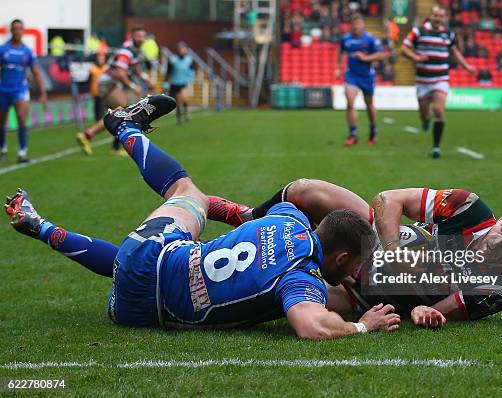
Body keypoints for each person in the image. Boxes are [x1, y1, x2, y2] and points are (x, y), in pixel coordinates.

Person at [5, 95, 403, 339]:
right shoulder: (300, 281)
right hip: (135, 313)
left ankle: (125, 134)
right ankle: (121, 130)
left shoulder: (289, 218)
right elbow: (310, 324)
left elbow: (210, 204)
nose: (357, 271)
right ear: (338, 258)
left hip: (148, 263)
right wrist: (362, 325)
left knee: (185, 194)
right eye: (357, 264)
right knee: (172, 218)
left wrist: (230, 214)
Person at [205, 178, 502, 327]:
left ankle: (205, 268)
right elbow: (389, 199)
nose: (498, 241)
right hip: (371, 236)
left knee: (278, 288)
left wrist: (422, 313)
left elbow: (431, 310)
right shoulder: (468, 207)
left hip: (366, 295)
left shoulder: (501, 286)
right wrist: (390, 251)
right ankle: (245, 217)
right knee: (304, 190)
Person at [401, 5, 475, 158]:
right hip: (423, 80)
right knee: (424, 113)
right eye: (435, 15)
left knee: (439, 111)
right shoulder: (418, 31)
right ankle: (425, 120)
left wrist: (466, 66)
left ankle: (436, 147)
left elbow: (454, 51)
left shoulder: (448, 34)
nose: (437, 18)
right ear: (430, 15)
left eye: (440, 16)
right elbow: (404, 48)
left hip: (440, 78)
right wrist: (416, 57)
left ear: (444, 17)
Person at [76, 26, 150, 157]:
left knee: (119, 115)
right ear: (132, 36)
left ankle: (105, 143)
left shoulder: (136, 51)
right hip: (108, 82)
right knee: (122, 113)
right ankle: (89, 135)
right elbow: (121, 73)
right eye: (138, 35)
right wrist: (133, 85)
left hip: (113, 83)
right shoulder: (126, 51)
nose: (141, 38)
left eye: (143, 36)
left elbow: (135, 68)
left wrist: (144, 77)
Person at [336, 14, 389, 146]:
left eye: (358, 24)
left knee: (369, 104)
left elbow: (381, 54)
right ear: (351, 26)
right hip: (351, 75)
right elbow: (340, 52)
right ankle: (353, 134)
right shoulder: (346, 39)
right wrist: (337, 68)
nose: (356, 27)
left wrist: (365, 58)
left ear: (363, 25)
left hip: (366, 76)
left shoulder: (370, 39)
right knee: (349, 102)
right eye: (354, 24)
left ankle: (373, 129)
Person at [0, 19, 47, 163]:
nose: (18, 31)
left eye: (20, 28)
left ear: (23, 31)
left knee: (21, 117)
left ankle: (22, 152)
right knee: (1, 122)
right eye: (15, 29)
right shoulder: (3, 49)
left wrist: (43, 94)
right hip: (3, 89)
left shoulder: (27, 52)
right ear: (12, 31)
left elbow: (36, 73)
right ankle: (2, 149)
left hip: (20, 89)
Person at [165, 42, 195, 124]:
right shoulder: (172, 59)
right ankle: (179, 117)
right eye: (181, 49)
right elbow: (168, 72)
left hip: (183, 83)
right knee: (177, 101)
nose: (182, 50)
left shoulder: (189, 60)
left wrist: (190, 77)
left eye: (184, 49)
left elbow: (192, 70)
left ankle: (186, 113)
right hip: (174, 83)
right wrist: (166, 83)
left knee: (184, 98)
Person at [88, 53, 108, 130]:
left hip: (105, 92)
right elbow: (89, 80)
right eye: (99, 58)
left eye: (102, 59)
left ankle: (102, 123)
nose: (101, 60)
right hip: (96, 92)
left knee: (104, 108)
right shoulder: (93, 68)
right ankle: (98, 124)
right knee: (97, 109)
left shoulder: (106, 68)